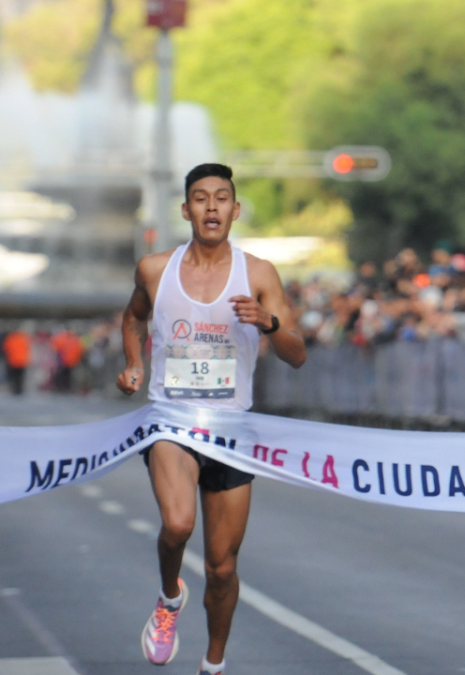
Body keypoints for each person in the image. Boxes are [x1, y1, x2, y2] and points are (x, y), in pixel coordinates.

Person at [117, 163, 306, 675]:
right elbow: (134, 317)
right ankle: (168, 596)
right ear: (186, 210)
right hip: (171, 422)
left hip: (230, 431)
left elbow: (297, 354)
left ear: (235, 209)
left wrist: (268, 324)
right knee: (177, 525)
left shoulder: (259, 273)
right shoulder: (155, 269)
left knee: (222, 567)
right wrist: (134, 363)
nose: (212, 207)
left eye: (222, 198)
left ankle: (213, 664)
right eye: (200, 198)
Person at [2, 325, 31, 395]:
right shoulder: (24, 338)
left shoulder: (10, 338)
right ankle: (20, 389)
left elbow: (5, 349)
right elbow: (27, 348)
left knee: (14, 376)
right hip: (22, 361)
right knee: (20, 377)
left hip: (13, 361)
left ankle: (15, 390)